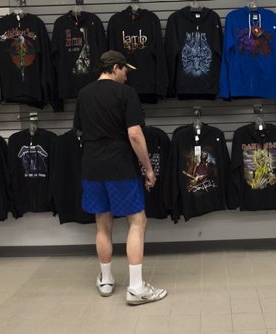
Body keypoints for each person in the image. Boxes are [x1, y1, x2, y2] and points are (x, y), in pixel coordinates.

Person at [73, 50, 167, 305]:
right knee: (137, 221)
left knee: (102, 224)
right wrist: (148, 168)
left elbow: (80, 131)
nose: (127, 76)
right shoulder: (127, 94)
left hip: (92, 167)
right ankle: (136, 287)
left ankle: (106, 280)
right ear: (115, 67)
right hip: (120, 166)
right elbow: (135, 135)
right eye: (126, 70)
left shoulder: (84, 94)